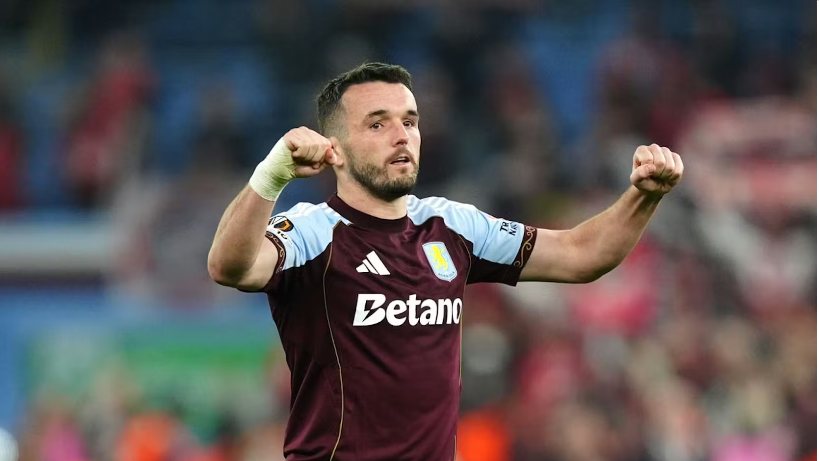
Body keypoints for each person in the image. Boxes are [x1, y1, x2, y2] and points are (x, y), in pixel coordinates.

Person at [207, 62, 684, 461]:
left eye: (410, 121)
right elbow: (229, 267)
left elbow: (581, 256)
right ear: (336, 150)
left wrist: (644, 196)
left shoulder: (452, 226)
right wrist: (272, 176)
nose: (402, 136)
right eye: (378, 124)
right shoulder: (313, 231)